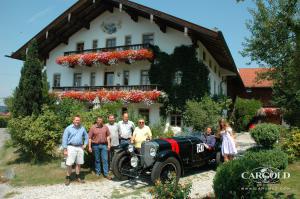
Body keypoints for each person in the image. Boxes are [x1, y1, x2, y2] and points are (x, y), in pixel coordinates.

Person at [62, 115, 88, 186]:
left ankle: (78, 177)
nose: (77, 121)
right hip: (71, 147)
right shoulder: (68, 128)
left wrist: (85, 144)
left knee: (79, 163)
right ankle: (68, 178)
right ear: (73, 120)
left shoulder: (82, 128)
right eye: (76, 120)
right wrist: (65, 149)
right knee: (69, 163)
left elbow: (86, 137)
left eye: (78, 120)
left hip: (80, 148)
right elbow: (64, 139)